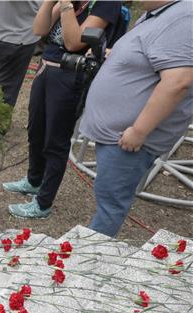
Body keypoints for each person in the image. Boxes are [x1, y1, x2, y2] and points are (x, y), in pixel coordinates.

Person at [80, 0, 192, 237]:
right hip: (119, 134)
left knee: (111, 204)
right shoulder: (161, 13)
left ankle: (91, 256)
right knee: (107, 196)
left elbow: (177, 82)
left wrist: (139, 131)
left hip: (126, 139)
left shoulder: (185, 18)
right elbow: (150, 54)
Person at [4, 0, 120, 219]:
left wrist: (66, 6)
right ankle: (34, 180)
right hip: (46, 69)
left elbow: (73, 42)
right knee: (35, 130)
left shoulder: (106, 3)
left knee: (55, 141)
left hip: (71, 77)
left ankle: (43, 203)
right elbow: (39, 30)